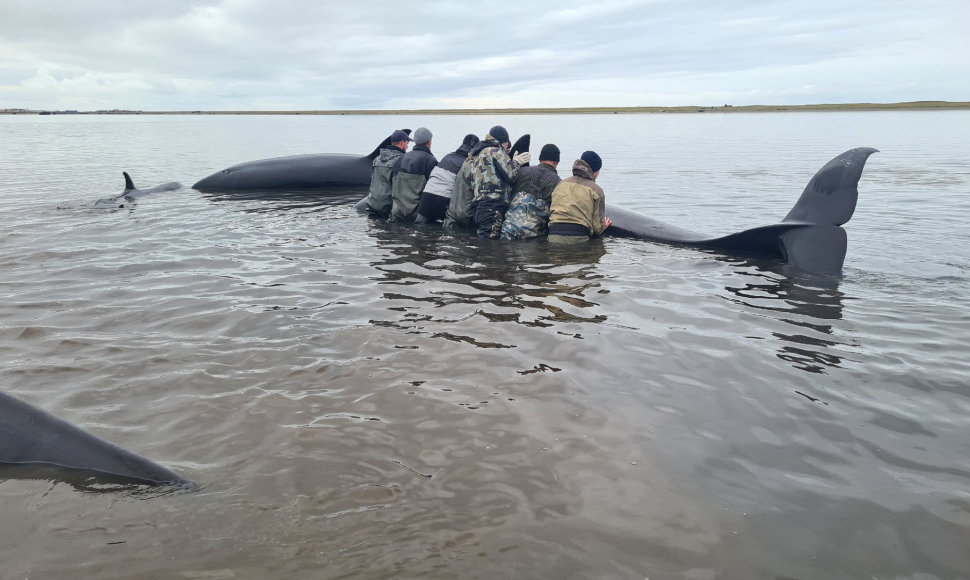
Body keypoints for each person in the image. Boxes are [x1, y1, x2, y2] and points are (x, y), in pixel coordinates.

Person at [467, 125, 531, 238]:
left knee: (483, 238)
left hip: (478, 205)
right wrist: (516, 162)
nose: (507, 147)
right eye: (507, 143)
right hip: (493, 205)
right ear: (503, 141)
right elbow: (512, 176)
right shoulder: (496, 150)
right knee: (489, 243)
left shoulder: (478, 154)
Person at [547, 150, 612, 244]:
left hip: (554, 236)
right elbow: (596, 228)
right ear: (595, 172)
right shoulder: (596, 190)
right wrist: (604, 226)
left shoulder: (561, 184)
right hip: (578, 238)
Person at [499, 143, 562, 240]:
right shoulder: (558, 183)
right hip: (533, 240)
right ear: (557, 162)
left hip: (507, 233)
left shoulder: (521, 172)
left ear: (540, 159)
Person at [415, 134, 480, 224]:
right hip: (444, 199)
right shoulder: (468, 162)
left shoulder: (448, 156)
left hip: (427, 197)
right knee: (443, 232)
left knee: (419, 228)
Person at [389, 127, 437, 223]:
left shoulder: (401, 158)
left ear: (416, 142)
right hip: (416, 217)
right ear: (429, 142)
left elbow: (392, 182)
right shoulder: (431, 161)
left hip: (397, 213)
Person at [362, 129, 410, 218]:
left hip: (373, 206)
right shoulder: (402, 160)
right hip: (389, 209)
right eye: (407, 143)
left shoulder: (377, 159)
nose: (407, 146)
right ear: (402, 142)